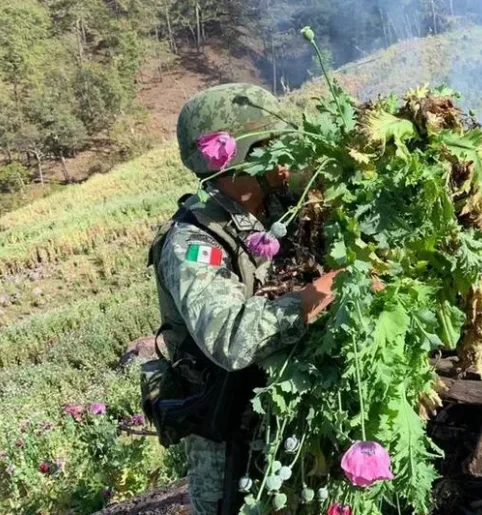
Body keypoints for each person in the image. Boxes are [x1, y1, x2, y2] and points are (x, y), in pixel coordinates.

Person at [146, 83, 337, 515]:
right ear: (239, 161)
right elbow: (230, 337)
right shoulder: (194, 242)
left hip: (289, 428)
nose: (284, 162)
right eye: (270, 149)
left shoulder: (275, 210)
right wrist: (322, 293)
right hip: (234, 443)